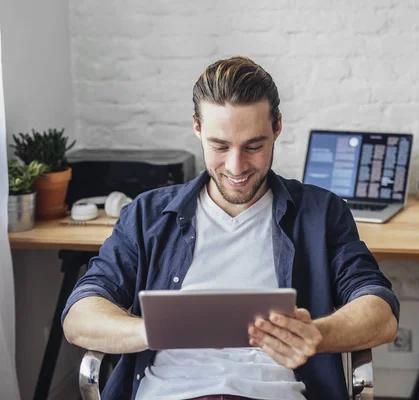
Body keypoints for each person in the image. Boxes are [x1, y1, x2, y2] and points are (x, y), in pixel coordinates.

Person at [62, 56, 400, 400]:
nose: (236, 167)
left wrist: (316, 334)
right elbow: (79, 316)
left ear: (277, 126)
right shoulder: (147, 216)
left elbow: (381, 313)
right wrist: (152, 330)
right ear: (197, 128)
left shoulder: (321, 213)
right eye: (219, 146)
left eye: (254, 146)